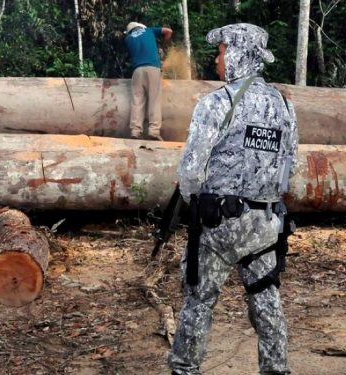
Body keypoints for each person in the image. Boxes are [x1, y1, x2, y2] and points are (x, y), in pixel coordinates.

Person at [169, 23, 298, 375]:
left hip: (221, 224)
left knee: (199, 300)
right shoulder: (285, 106)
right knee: (265, 296)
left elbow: (191, 172)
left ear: (239, 54)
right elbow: (290, 168)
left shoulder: (216, 103)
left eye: (222, 52)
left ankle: (185, 369)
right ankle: (276, 369)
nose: (217, 60)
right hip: (267, 224)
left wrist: (196, 199)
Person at [124, 21, 173, 140]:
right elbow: (168, 31)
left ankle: (135, 131)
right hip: (152, 68)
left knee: (137, 101)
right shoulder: (149, 30)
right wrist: (164, 43)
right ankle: (154, 131)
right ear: (141, 26)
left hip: (137, 71)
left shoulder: (128, 38)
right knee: (154, 100)